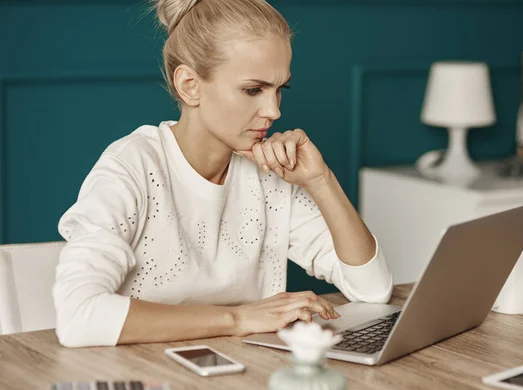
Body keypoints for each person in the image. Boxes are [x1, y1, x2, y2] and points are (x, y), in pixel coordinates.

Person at [52, 0, 393, 348]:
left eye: (280, 89)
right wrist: (240, 318)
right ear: (189, 85)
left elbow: (373, 289)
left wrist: (321, 181)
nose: (274, 110)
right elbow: (79, 316)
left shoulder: (269, 175)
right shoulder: (132, 167)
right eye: (253, 90)